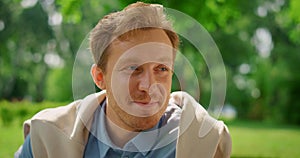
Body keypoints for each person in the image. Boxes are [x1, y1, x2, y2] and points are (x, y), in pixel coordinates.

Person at [16, 2, 231, 158]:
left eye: (162, 69)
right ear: (100, 77)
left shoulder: (204, 145)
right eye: (133, 68)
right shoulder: (47, 137)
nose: (149, 86)